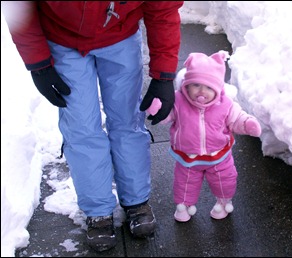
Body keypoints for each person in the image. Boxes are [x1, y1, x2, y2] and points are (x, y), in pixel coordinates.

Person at [1, 1, 183, 252]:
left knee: (128, 122)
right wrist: (39, 63)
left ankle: (136, 201)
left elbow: (162, 9)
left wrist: (164, 74)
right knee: (81, 128)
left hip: (120, 36)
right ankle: (98, 210)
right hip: (63, 40)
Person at [145, 50, 262, 222]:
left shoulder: (226, 104)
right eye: (196, 85)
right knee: (185, 184)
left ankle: (223, 202)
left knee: (225, 181)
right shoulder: (178, 101)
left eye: (209, 87)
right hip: (188, 157)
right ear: (186, 85)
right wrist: (158, 109)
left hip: (219, 156)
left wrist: (246, 124)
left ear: (218, 89)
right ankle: (183, 206)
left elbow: (236, 118)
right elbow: (167, 115)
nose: (202, 91)